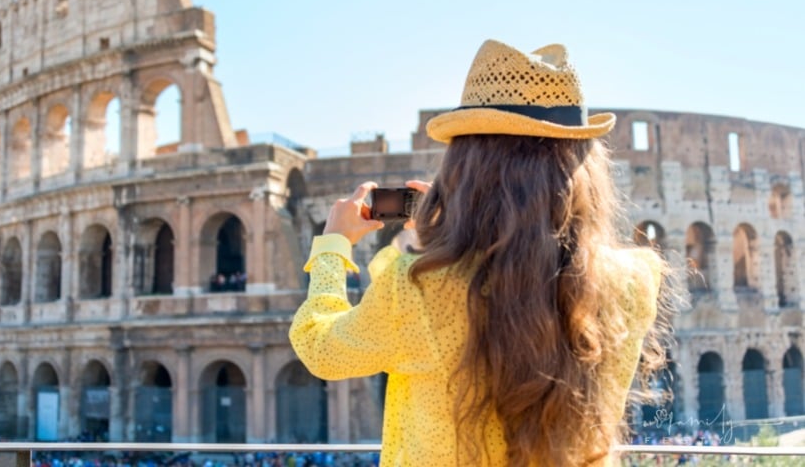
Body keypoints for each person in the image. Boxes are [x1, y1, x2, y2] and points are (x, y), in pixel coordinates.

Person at [289, 39, 676, 466]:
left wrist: (332, 246)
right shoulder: (632, 282)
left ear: (467, 167)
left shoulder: (421, 289)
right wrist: (446, 238)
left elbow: (319, 346)